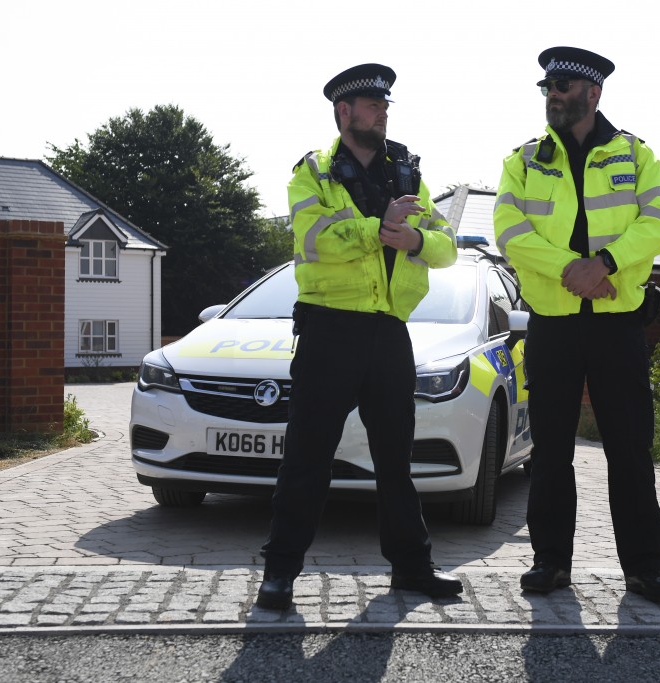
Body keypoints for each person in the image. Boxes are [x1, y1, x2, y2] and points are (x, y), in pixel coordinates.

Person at [256, 63, 461, 610]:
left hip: (389, 331)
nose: (383, 113)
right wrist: (379, 228)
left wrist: (414, 237)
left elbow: (448, 246)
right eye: (373, 105)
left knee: (396, 459)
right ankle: (278, 574)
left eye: (386, 105)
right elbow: (313, 238)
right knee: (308, 455)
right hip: (329, 328)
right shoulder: (313, 172)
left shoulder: (408, 172)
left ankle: (413, 569)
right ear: (344, 112)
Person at [492, 47, 660, 602]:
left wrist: (605, 265)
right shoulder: (523, 160)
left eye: (564, 86)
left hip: (618, 323)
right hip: (552, 324)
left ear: (593, 94)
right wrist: (570, 271)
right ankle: (550, 562)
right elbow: (509, 229)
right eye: (548, 86)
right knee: (550, 450)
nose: (553, 94)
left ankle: (645, 568)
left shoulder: (635, 154)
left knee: (629, 447)